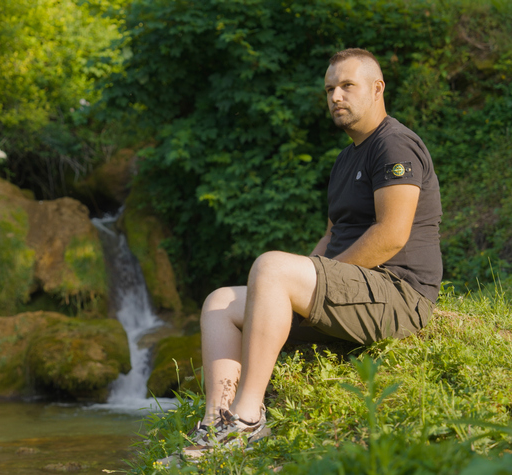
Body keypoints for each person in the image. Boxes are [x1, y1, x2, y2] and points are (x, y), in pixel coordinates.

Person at [180, 48, 443, 459]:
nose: (335, 96)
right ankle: (218, 424)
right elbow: (332, 235)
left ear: (378, 89)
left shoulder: (395, 146)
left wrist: (318, 278)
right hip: (354, 289)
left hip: (397, 294)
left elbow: (392, 235)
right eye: (329, 89)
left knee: (271, 266)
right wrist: (297, 287)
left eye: (346, 86)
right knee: (220, 302)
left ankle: (248, 421)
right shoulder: (345, 159)